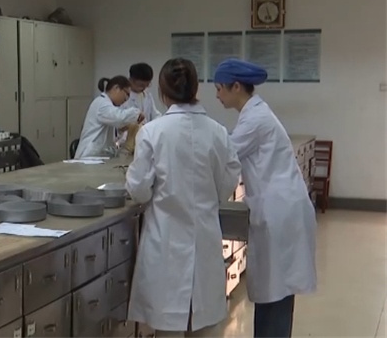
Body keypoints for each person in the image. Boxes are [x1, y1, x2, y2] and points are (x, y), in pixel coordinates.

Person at [125, 58, 241, 337]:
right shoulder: (218, 132)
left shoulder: (153, 132)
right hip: (205, 239)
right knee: (205, 326)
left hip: (165, 241)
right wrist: (209, 197)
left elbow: (138, 189)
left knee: (168, 327)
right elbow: (229, 178)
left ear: (163, 92)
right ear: (195, 88)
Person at [214, 58, 317, 338]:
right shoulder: (254, 114)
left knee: (276, 292)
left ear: (236, 87)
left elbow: (224, 154)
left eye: (220, 88)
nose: (217, 95)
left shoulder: (256, 120)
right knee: (274, 290)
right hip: (279, 208)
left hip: (279, 212)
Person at [74, 76, 143, 159]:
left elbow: (111, 126)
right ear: (116, 88)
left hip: (98, 156)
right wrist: (137, 113)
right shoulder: (101, 103)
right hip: (89, 157)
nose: (126, 99)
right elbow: (119, 117)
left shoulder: (107, 105)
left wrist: (122, 129)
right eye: (126, 94)